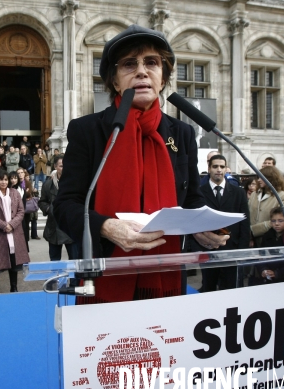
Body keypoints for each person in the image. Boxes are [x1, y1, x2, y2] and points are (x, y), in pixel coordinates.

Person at [54, 24, 228, 304]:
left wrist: (202, 227)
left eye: (152, 62)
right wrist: (106, 226)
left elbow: (192, 197)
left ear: (163, 77)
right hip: (105, 273)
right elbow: (65, 206)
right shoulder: (88, 130)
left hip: (165, 277)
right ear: (114, 80)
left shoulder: (181, 133)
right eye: (129, 64)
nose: (142, 71)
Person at [191, 154, 250, 291]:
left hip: (232, 249)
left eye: (222, 166)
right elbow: (195, 222)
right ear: (209, 168)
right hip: (208, 250)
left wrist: (242, 250)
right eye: (215, 166)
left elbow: (245, 222)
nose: (219, 169)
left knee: (231, 288)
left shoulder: (238, 193)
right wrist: (197, 250)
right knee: (208, 287)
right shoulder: (199, 192)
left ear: (226, 169)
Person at [0, 170, 30, 294]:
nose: (4, 182)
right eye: (1, 179)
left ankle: (14, 288)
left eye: (6, 179)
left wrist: (12, 224)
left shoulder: (15, 192)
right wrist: (4, 225)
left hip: (15, 232)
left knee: (14, 262)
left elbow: (21, 211)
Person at [39, 155, 79, 261]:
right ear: (55, 167)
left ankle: (75, 278)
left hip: (71, 227)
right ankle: (56, 278)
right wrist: (49, 209)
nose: (64, 168)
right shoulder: (48, 185)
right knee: (55, 261)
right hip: (54, 228)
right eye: (61, 166)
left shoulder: (75, 183)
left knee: (75, 261)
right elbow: (42, 202)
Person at [248, 165, 284, 247]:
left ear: (271, 179)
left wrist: (252, 230)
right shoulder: (254, 194)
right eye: (258, 177)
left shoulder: (282, 196)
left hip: (269, 239)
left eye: (262, 178)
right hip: (250, 240)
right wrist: (248, 235)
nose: (259, 180)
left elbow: (281, 219)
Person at [256, 208, 284, 283]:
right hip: (268, 278)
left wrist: (277, 273)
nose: (276, 223)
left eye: (280, 221)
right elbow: (261, 256)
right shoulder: (267, 236)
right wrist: (263, 270)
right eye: (273, 221)